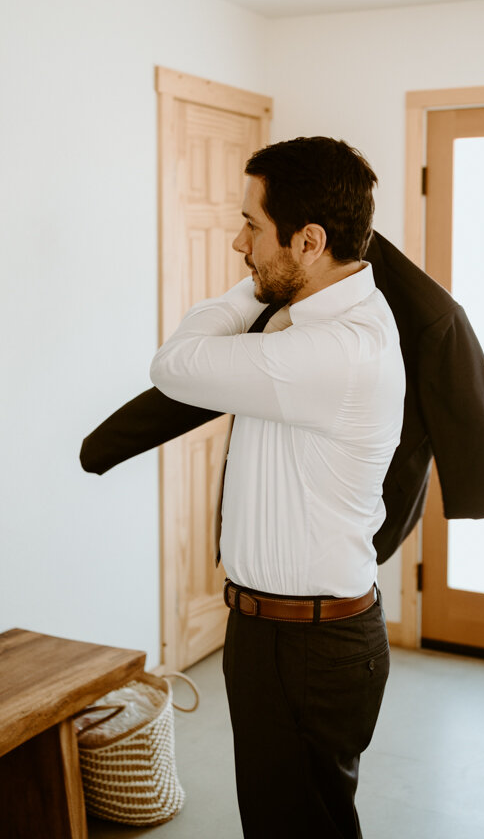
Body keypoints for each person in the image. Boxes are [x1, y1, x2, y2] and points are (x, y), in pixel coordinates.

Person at [149, 136, 406, 838]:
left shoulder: (335, 349)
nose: (239, 243)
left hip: (307, 649)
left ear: (308, 240)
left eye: (252, 227)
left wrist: (252, 288)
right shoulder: (318, 320)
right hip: (277, 634)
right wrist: (272, 279)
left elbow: (175, 365)